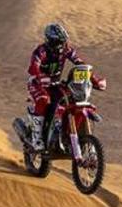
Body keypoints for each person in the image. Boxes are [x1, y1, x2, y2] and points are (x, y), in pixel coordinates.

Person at [26, 22, 105, 151]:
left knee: (72, 99)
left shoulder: (67, 49)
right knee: (43, 100)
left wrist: (94, 80)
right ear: (50, 41)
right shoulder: (41, 51)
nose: (62, 45)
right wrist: (40, 77)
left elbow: (80, 64)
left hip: (56, 84)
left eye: (63, 42)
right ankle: (37, 138)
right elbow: (34, 67)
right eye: (58, 42)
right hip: (37, 83)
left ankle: (64, 134)